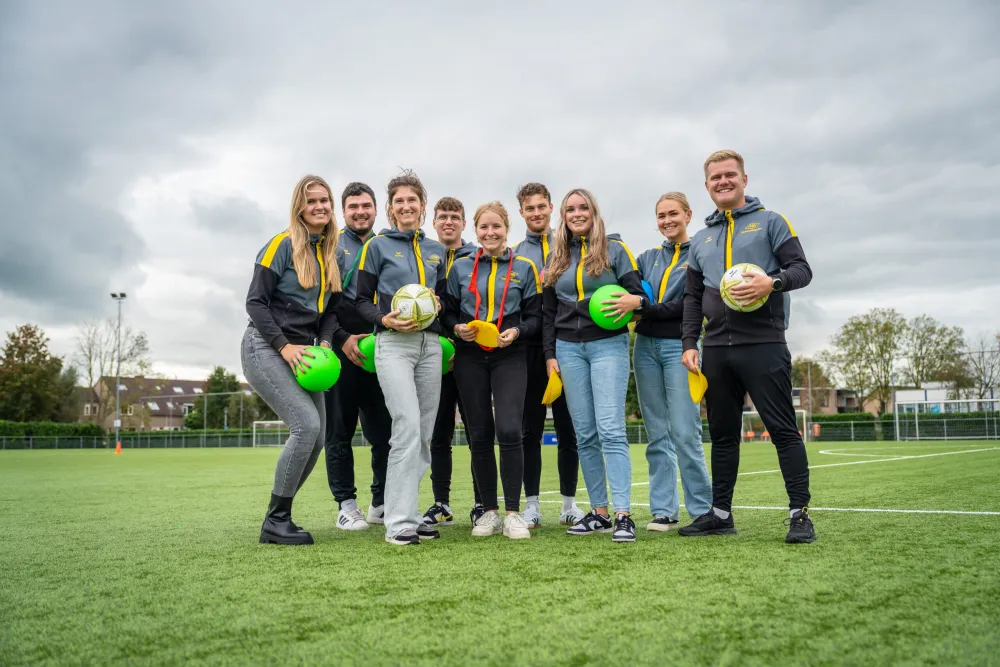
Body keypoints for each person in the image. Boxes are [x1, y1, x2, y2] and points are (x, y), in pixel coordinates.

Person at [679, 149, 816, 543]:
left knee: (783, 430)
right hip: (717, 350)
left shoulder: (772, 222)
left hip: (764, 343)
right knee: (722, 435)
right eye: (715, 177)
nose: (722, 182)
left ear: (744, 179)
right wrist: (690, 342)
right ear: (706, 185)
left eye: (729, 175)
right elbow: (692, 298)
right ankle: (720, 513)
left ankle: (800, 514)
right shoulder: (701, 239)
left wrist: (770, 283)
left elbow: (802, 270)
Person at [243, 175, 343, 545]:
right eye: (312, 201)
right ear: (299, 207)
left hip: (306, 353)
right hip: (266, 346)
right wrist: (284, 346)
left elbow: (333, 311)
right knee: (305, 425)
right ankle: (276, 521)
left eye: (325, 201)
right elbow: (255, 302)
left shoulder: (332, 253)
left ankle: (279, 516)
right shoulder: (281, 245)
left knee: (316, 436)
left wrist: (328, 342)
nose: (320, 207)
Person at [542, 188, 646, 543]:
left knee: (611, 430)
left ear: (594, 211)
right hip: (568, 350)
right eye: (570, 209)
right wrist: (549, 355)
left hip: (607, 347)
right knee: (584, 433)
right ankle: (599, 513)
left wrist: (636, 301)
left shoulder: (615, 249)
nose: (576, 213)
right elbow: (548, 314)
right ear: (564, 216)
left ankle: (622, 514)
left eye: (582, 207)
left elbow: (638, 294)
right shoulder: (555, 258)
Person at [355, 170, 448, 546]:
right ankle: (397, 523)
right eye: (399, 201)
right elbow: (359, 301)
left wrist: (437, 306)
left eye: (412, 200)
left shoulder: (436, 250)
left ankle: (409, 514)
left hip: (430, 347)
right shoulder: (375, 247)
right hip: (392, 344)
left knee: (423, 435)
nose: (406, 206)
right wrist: (383, 318)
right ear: (391, 209)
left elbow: (440, 300)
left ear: (422, 206)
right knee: (406, 426)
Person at [442, 201, 541, 539]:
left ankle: (513, 512)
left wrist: (518, 332)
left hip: (509, 354)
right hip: (469, 356)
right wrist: (457, 329)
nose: (490, 233)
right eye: (484, 227)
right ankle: (489, 512)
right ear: (475, 229)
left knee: (511, 429)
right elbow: (447, 313)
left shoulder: (525, 267)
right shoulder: (459, 268)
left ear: (506, 228)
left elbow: (536, 317)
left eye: (496, 226)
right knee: (479, 434)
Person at [633, 192, 712, 531]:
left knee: (684, 430)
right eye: (661, 215)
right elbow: (632, 294)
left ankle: (702, 509)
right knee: (657, 434)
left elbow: (692, 304)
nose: (667, 221)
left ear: (688, 215)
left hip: (682, 347)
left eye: (673, 214)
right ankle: (664, 510)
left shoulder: (701, 252)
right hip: (644, 347)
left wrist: (647, 308)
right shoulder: (646, 257)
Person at [512, 183, 584, 529]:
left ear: (551, 207)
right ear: (521, 212)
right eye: (530, 208)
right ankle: (532, 505)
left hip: (566, 346)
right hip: (528, 352)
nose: (537, 213)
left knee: (570, 429)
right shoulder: (515, 255)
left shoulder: (570, 245)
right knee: (530, 430)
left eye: (542, 206)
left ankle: (570, 504)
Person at [323, 182, 392, 531]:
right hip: (340, 349)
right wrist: (342, 338)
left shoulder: (384, 246)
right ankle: (345, 505)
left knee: (385, 433)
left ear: (376, 209)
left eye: (366, 205)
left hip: (381, 349)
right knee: (340, 431)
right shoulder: (332, 247)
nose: (360, 212)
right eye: (353, 207)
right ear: (343, 211)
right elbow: (321, 304)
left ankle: (380, 502)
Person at [422, 197, 481, 526]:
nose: (448, 222)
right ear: (434, 222)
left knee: (476, 432)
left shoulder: (477, 257)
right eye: (442, 216)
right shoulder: (425, 255)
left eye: (454, 217)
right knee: (439, 433)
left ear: (463, 223)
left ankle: (480, 503)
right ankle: (440, 503)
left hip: (471, 355)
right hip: (435, 354)